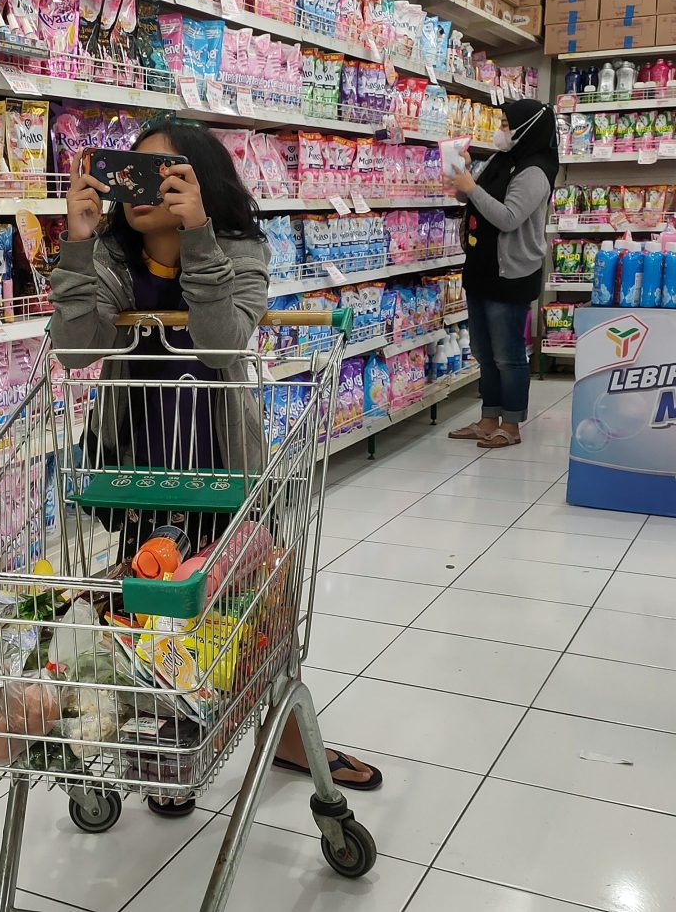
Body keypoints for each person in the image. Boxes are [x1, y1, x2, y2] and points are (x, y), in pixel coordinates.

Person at [50, 120, 382, 816]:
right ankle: (171, 734)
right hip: (140, 474)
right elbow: (77, 349)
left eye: (163, 174)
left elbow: (222, 341)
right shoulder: (110, 257)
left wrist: (197, 235)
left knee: (252, 605)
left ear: (201, 183)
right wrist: (77, 244)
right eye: (131, 174)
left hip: (225, 469)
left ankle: (284, 734)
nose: (141, 189)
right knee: (157, 612)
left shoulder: (240, 250)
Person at [446, 99, 559, 449]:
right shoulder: (502, 159)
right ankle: (488, 418)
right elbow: (468, 199)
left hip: (511, 273)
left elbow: (509, 218)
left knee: (508, 355)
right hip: (481, 268)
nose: (501, 131)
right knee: (483, 350)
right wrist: (464, 173)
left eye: (507, 125)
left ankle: (511, 424)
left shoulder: (535, 170)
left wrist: (472, 187)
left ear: (527, 128)